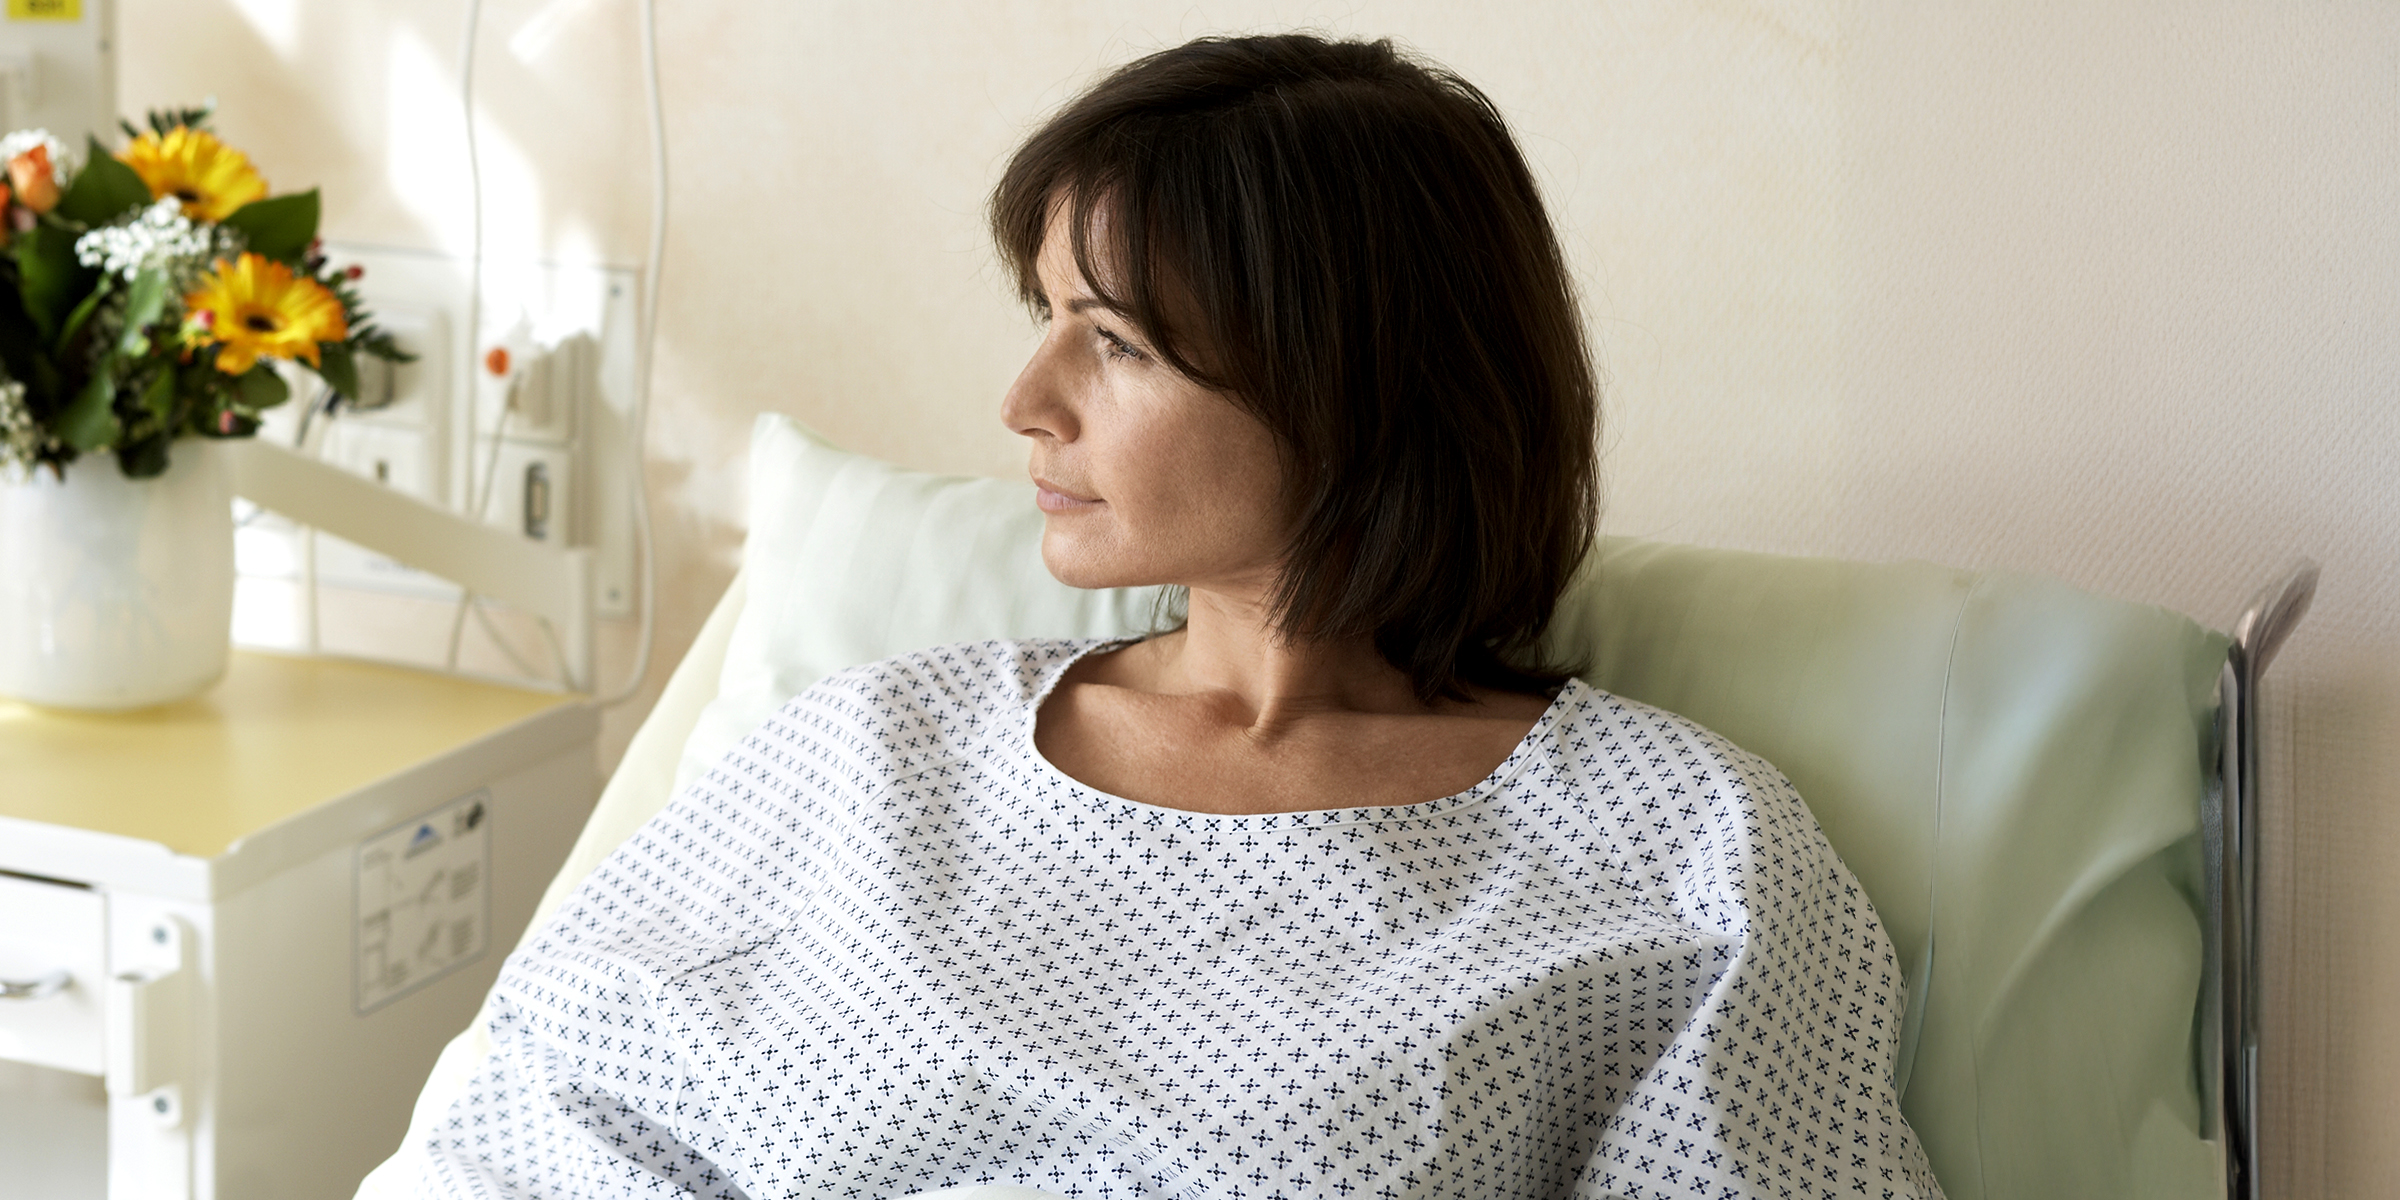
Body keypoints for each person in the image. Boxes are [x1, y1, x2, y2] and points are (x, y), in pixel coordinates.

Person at [416, 34, 1940, 1200]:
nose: (1025, 406)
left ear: (1353, 383)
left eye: (1119, 342)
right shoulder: (876, 750)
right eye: (1045, 325)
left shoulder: (1682, 853)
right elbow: (538, 1123)